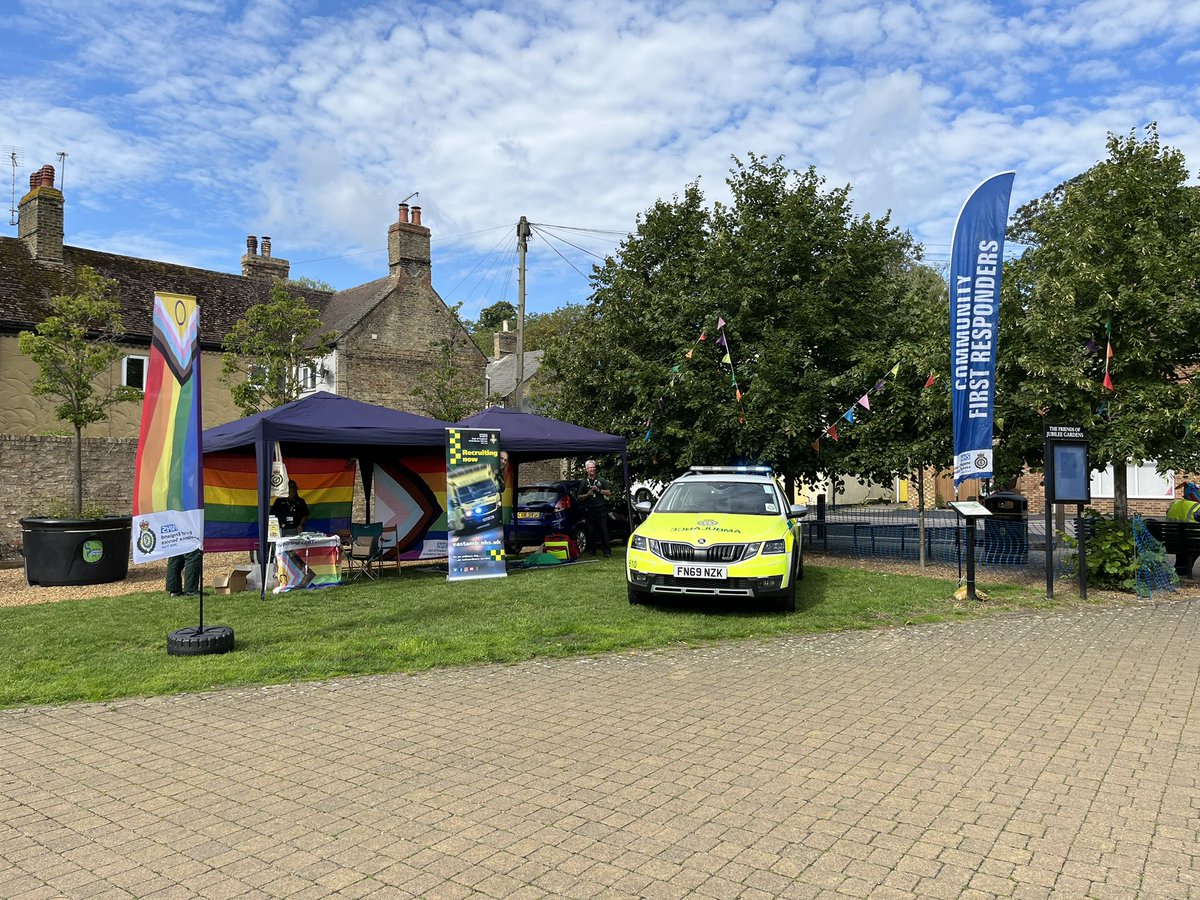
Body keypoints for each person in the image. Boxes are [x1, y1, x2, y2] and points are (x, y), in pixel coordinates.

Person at [579, 459, 613, 557]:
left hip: (600, 508)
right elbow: (579, 497)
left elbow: (609, 493)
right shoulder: (584, 482)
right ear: (586, 470)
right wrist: (587, 495)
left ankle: (607, 551)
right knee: (591, 530)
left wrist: (598, 490)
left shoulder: (601, 480)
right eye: (590, 468)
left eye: (593, 467)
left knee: (603, 530)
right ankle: (592, 551)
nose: (592, 469)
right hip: (589, 509)